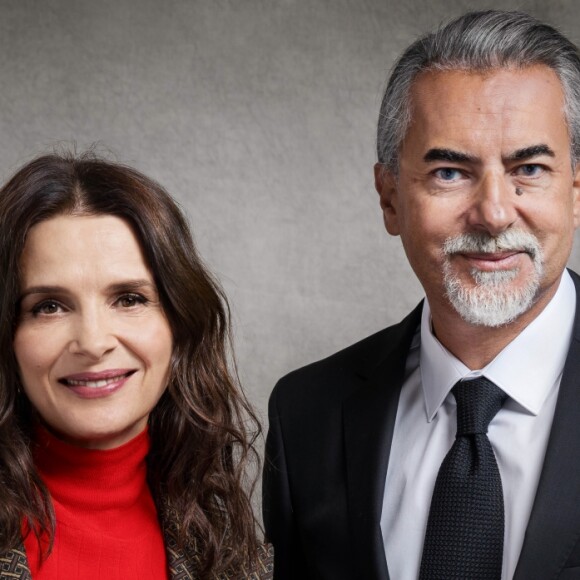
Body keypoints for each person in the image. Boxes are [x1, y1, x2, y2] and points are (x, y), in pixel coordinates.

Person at [263, 9, 580, 580]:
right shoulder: (305, 413)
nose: (494, 213)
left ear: (576, 193)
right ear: (389, 199)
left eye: (528, 168)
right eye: (450, 173)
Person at [0, 151, 273, 579]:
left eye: (129, 299)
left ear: (179, 326)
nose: (93, 343)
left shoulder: (233, 552)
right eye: (49, 306)